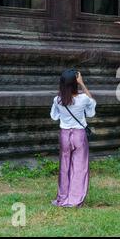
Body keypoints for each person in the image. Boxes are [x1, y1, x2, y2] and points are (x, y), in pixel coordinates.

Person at [50, 70, 96, 207]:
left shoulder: (58, 99)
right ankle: (75, 199)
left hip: (64, 135)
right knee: (80, 168)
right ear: (75, 83)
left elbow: (54, 116)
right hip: (79, 135)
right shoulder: (82, 99)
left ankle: (63, 197)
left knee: (65, 167)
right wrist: (82, 83)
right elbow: (92, 107)